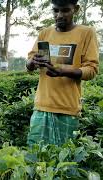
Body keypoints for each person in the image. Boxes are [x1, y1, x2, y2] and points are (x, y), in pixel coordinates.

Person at [26, 0, 99, 146]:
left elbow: (91, 69)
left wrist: (63, 71)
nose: (59, 15)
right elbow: (29, 63)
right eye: (55, 11)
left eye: (65, 10)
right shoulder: (44, 33)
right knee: (34, 156)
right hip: (41, 106)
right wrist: (32, 62)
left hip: (68, 108)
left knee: (63, 160)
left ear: (76, 9)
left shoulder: (86, 33)